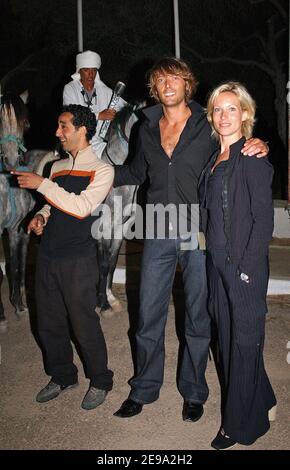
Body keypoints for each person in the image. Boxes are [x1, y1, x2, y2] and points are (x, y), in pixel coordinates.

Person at [112, 57, 269, 420]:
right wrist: (93, 169)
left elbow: (234, 146)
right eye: (161, 80)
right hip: (155, 228)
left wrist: (257, 143)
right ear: (154, 89)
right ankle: (144, 389)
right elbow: (135, 171)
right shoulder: (145, 128)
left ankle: (194, 391)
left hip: (199, 229)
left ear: (187, 85)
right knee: (148, 313)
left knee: (197, 316)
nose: (168, 85)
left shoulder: (207, 123)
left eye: (175, 79)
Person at [13, 105, 114, 410]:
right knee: (48, 321)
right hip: (48, 254)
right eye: (59, 126)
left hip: (78, 259)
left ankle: (100, 380)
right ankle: (63, 375)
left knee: (83, 322)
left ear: (83, 129)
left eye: (64, 126)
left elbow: (82, 206)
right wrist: (41, 216)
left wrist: (41, 184)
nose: (58, 132)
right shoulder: (55, 167)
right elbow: (52, 204)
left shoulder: (103, 170)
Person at [199, 82, 276, 449]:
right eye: (218, 109)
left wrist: (245, 268)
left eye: (232, 108)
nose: (224, 115)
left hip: (242, 267)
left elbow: (263, 221)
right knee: (229, 342)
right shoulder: (214, 159)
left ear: (245, 114)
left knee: (243, 345)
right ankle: (263, 399)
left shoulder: (252, 157)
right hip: (217, 266)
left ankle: (239, 426)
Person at [63, 50, 126, 156]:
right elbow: (70, 117)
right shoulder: (70, 88)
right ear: (79, 71)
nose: (91, 74)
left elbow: (125, 108)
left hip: (100, 144)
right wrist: (99, 115)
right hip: (77, 143)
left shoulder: (105, 90)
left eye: (94, 70)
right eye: (86, 70)